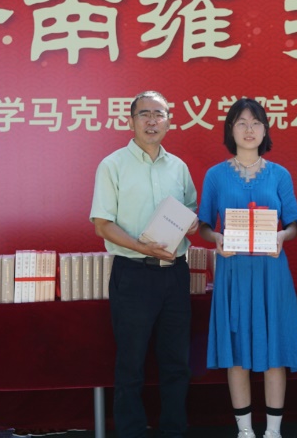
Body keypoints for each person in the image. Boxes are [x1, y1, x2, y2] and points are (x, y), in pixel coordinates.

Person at [90, 90, 198, 438]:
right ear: (131, 121)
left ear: (169, 121)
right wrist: (142, 247)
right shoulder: (112, 165)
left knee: (176, 363)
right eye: (144, 114)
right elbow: (102, 224)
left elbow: (192, 212)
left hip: (175, 275)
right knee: (131, 364)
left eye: (159, 114)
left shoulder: (178, 167)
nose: (152, 121)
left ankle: (174, 430)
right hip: (133, 275)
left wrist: (191, 224)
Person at [198, 98, 297, 438]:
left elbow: (293, 224)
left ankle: (273, 430)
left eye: (256, 122)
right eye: (241, 123)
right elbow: (204, 225)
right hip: (232, 272)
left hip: (271, 273)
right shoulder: (215, 175)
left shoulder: (280, 174)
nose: (249, 129)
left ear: (265, 130)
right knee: (237, 353)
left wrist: (282, 236)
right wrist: (215, 237)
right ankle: (244, 430)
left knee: (274, 351)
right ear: (230, 130)